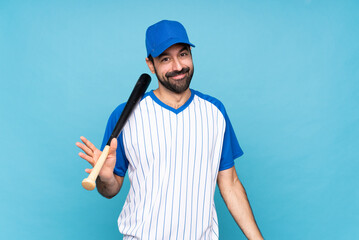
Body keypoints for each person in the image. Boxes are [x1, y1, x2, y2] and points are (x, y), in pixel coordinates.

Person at [76, 20, 263, 240]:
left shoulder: (215, 112)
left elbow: (230, 184)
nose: (177, 66)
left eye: (183, 54)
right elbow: (110, 190)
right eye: (165, 58)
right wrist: (105, 178)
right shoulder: (124, 115)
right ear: (150, 64)